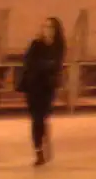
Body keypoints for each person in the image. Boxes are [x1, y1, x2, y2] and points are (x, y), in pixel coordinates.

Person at [17, 16, 66, 166]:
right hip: (34, 87)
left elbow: (56, 65)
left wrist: (44, 65)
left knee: (43, 117)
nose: (47, 30)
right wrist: (45, 65)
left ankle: (44, 143)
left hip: (48, 87)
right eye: (44, 27)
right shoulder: (36, 44)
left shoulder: (58, 46)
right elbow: (29, 62)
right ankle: (39, 151)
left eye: (50, 27)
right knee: (36, 118)